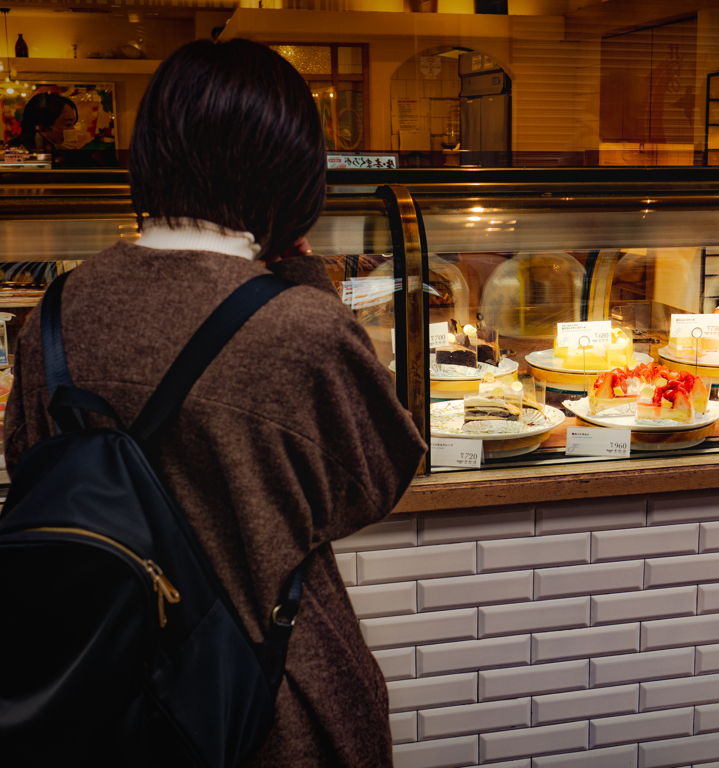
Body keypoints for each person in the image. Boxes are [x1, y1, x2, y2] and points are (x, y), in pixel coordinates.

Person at [3, 38, 426, 767]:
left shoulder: (56, 310)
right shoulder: (299, 326)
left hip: (97, 692)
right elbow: (376, 479)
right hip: (263, 696)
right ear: (293, 166)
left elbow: (30, 464)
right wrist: (297, 267)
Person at [6, 91, 79, 154]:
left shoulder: (60, 158)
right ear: (43, 129)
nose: (74, 130)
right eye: (68, 125)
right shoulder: (13, 156)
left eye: (73, 124)